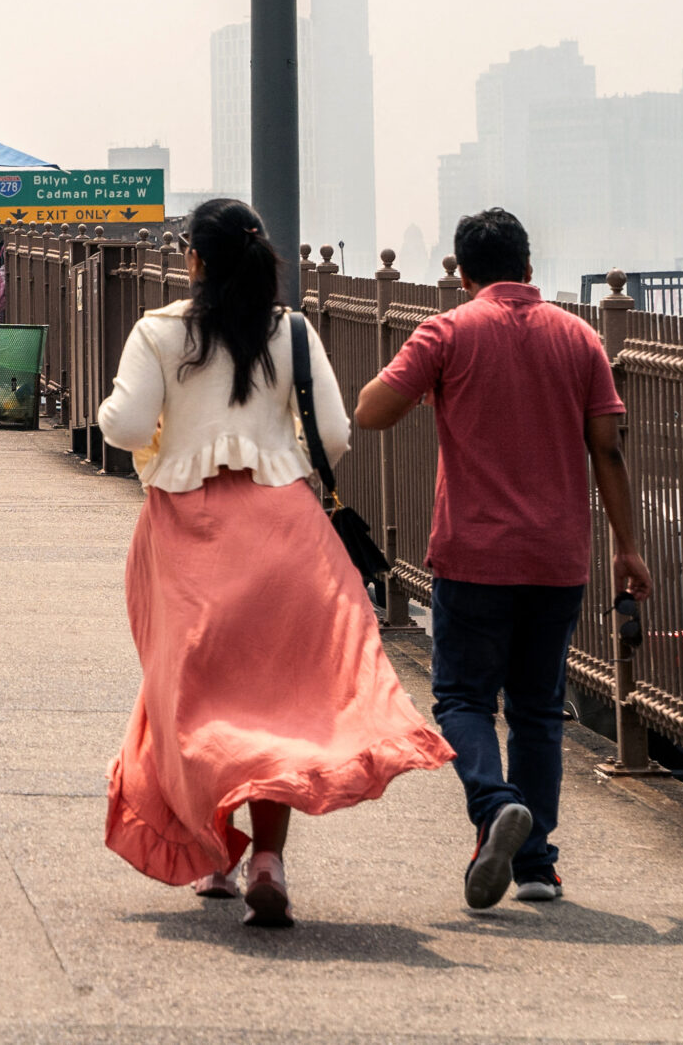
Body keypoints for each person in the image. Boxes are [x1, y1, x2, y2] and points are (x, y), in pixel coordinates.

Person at [94, 198, 450, 928]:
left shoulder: (158, 331)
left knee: (192, 693)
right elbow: (334, 435)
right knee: (277, 699)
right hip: (283, 527)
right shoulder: (290, 331)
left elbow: (126, 424)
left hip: (185, 528)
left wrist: (136, 427)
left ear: (192, 257)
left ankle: (214, 856)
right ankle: (267, 858)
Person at [353, 207, 652, 909]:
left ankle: (493, 807)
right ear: (527, 268)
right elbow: (606, 447)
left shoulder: (448, 332)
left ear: (461, 275)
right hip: (558, 558)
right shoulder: (579, 338)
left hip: (472, 554)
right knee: (538, 712)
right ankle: (537, 867)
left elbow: (370, 411)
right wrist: (628, 548)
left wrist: (433, 382)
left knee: (461, 697)